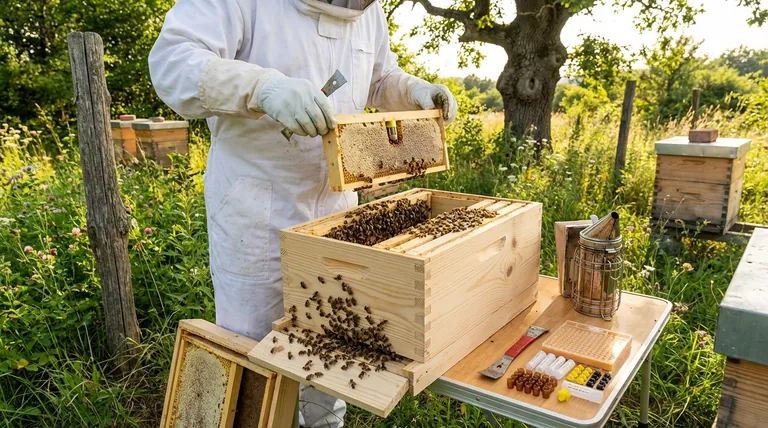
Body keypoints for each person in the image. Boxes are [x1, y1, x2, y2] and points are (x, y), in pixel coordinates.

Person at [148, 0, 457, 426]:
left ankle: (323, 421)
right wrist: (262, 88)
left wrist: (413, 90)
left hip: (336, 207)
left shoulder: (368, 13)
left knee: (334, 333)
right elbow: (173, 62)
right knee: (255, 349)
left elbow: (377, 78)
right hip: (255, 212)